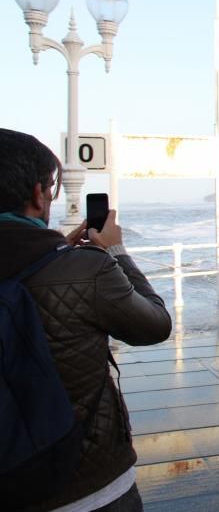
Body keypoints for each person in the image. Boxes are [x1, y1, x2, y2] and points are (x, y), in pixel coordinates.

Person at [0, 128, 172, 511]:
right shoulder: (84, 269)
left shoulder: (69, 262)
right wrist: (114, 252)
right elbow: (156, 325)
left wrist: (59, 248)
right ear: (38, 193)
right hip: (86, 484)